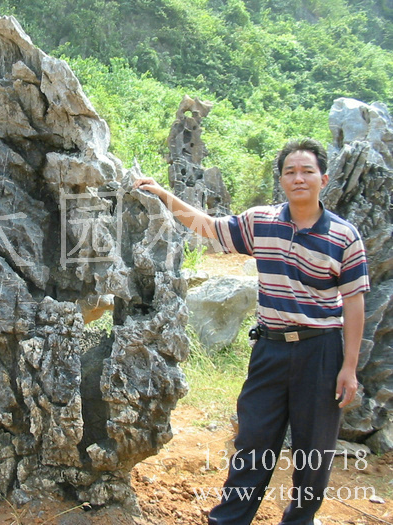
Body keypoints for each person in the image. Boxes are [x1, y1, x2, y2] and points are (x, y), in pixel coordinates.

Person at [133, 138, 370, 525]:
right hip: (271, 350)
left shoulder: (344, 236)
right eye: (290, 171)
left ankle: (300, 519)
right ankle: (228, 520)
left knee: (314, 451)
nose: (299, 178)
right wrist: (162, 193)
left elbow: (355, 302)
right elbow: (208, 227)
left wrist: (350, 366)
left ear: (323, 179)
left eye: (307, 171)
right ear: (281, 180)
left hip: (321, 351)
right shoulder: (262, 222)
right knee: (254, 441)